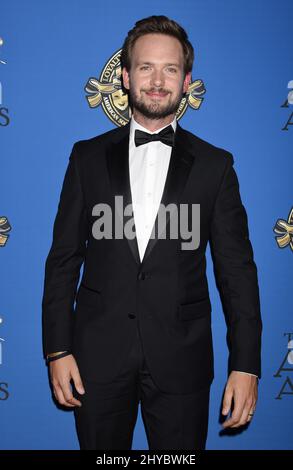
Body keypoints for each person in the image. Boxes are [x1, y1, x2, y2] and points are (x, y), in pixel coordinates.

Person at [42, 15, 262, 450]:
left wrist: (247, 365)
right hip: (96, 362)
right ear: (125, 76)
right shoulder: (86, 158)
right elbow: (64, 260)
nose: (158, 80)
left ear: (186, 81)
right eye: (146, 67)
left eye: (170, 69)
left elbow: (237, 274)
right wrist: (57, 350)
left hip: (183, 360)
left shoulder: (216, 166)